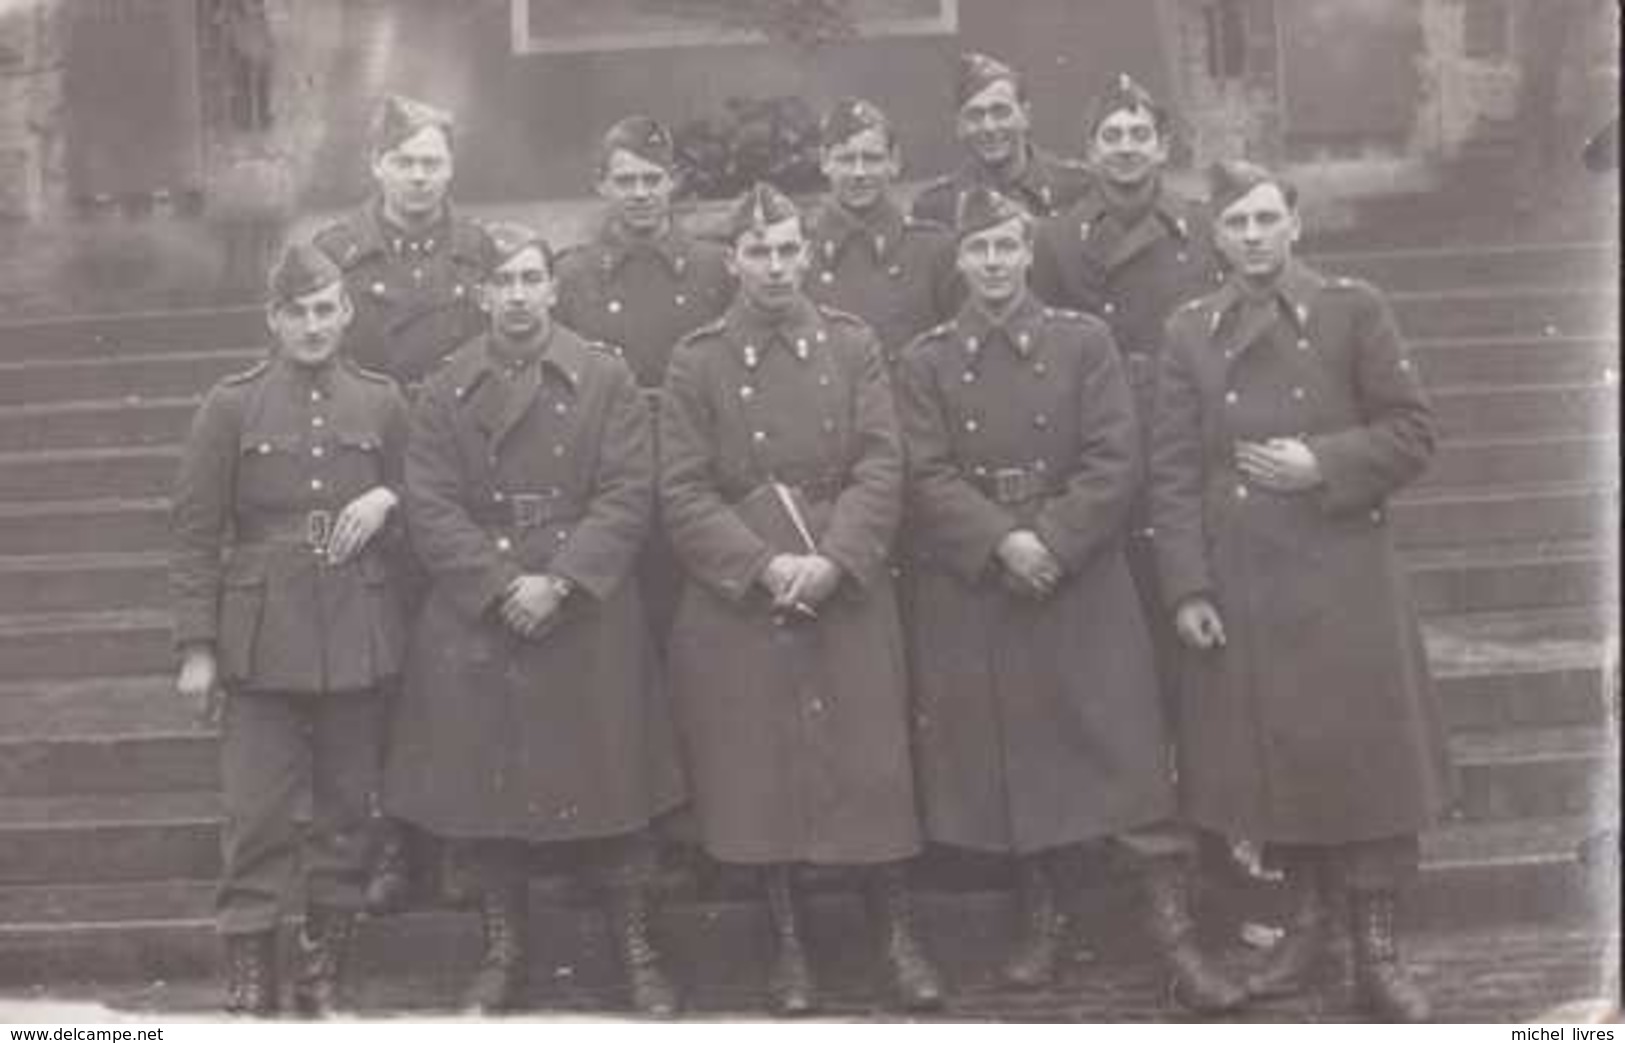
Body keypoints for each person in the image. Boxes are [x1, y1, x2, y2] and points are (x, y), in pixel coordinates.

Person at [893, 187, 1243, 1011]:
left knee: (1120, 752)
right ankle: (1042, 922)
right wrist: (1001, 543)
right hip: (981, 580)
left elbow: (1115, 455)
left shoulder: (1083, 343)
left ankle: (1174, 939)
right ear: (958, 262)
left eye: (1005, 247)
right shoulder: (925, 360)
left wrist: (1052, 539)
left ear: (1026, 252)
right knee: (1020, 759)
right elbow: (924, 472)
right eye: (975, 250)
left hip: (1079, 573)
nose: (991, 264)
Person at [1150, 160, 1451, 1021]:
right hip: (1245, 581)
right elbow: (1170, 472)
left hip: (1345, 573)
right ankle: (1310, 928)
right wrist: (1186, 587)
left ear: (1295, 223)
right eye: (1234, 223)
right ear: (1214, 235)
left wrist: (1322, 461)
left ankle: (1377, 953)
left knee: (1368, 763)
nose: (1251, 236)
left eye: (1264, 218)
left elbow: (1413, 431)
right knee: (1284, 761)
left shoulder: (1353, 309)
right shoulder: (1189, 331)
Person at [383, 223, 687, 1015]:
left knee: (612, 775)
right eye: (502, 281)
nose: (517, 295)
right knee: (485, 789)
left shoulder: (605, 377)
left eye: (530, 279)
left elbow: (627, 492)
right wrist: (498, 585)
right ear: (479, 293)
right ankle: (501, 951)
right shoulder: (445, 387)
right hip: (484, 603)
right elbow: (431, 503)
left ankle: (637, 946)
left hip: (581, 598)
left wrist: (561, 581)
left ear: (554, 287)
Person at [659, 182, 943, 1015]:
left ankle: (895, 931)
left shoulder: (851, 345)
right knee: (765, 771)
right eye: (757, 252)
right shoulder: (696, 359)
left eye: (787, 249)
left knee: (869, 761)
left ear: (808, 251)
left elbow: (882, 462)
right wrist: (761, 567)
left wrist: (837, 559)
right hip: (747, 590)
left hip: (841, 578)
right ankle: (787, 943)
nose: (775, 267)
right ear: (733, 261)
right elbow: (680, 489)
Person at [170, 243, 409, 1017]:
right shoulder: (230, 405)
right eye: (297, 312)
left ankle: (322, 974)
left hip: (356, 627)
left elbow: (425, 495)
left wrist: (388, 499)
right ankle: (250, 976)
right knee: (257, 811)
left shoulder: (381, 401)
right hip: (260, 632)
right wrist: (198, 648)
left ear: (346, 312)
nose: (313, 325)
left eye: (325, 310)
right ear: (273, 319)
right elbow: (196, 534)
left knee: (347, 809)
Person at [313, 93, 491, 913]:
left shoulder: (483, 252)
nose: (420, 177)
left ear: (451, 168)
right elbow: (319, 379)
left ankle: (460, 838)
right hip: (371, 491)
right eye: (405, 161)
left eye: (434, 161)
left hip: (463, 488)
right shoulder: (334, 258)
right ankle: (387, 842)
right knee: (380, 673)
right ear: (376, 165)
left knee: (461, 667)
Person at [554, 115, 734, 647]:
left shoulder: (713, 271)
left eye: (652, 179)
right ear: (601, 185)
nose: (640, 193)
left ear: (674, 180)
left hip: (696, 472)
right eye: (626, 181)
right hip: (604, 477)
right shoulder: (570, 277)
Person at [803, 97, 959, 364]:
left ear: (894, 162)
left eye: (872, 159)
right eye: (846, 159)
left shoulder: (935, 250)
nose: (859, 173)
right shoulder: (800, 251)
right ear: (824, 162)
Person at [910, 52, 1092, 228]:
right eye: (975, 115)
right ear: (959, 126)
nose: (989, 127)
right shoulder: (935, 207)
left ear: (1025, 116)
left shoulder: (1079, 189)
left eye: (1001, 112)